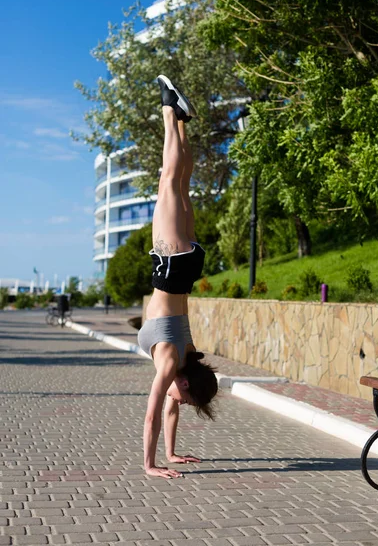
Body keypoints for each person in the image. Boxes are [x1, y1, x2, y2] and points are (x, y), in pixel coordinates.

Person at [138, 75, 218, 479]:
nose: (179, 404)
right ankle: (171, 111)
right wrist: (150, 466)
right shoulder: (171, 362)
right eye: (186, 401)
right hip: (170, 269)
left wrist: (171, 455)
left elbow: (169, 406)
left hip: (186, 269)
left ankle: (183, 119)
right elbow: (154, 411)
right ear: (185, 384)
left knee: (182, 183)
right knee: (168, 181)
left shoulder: (184, 362)